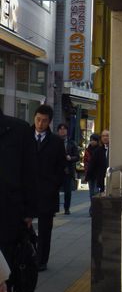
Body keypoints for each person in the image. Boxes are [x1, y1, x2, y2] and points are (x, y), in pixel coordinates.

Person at [0, 108, 37, 292]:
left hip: (7, 220)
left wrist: (28, 213)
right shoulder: (20, 130)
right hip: (9, 219)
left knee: (3, 280)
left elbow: (30, 174)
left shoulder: (19, 130)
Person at [32, 104, 66, 271]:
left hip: (47, 192)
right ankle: (27, 256)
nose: (40, 124)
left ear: (50, 122)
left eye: (44, 121)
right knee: (23, 226)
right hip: (27, 191)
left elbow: (61, 167)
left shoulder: (56, 142)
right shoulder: (24, 137)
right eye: (38, 119)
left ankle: (42, 260)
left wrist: (53, 186)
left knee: (45, 229)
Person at [57, 123, 79, 215]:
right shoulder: (54, 141)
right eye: (60, 129)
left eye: (64, 129)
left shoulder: (72, 143)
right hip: (56, 170)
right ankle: (54, 208)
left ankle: (67, 208)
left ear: (67, 131)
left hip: (68, 170)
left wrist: (71, 158)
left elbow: (77, 157)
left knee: (67, 191)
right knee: (54, 190)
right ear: (58, 131)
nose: (62, 131)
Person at [85, 130, 110, 201]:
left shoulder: (114, 149)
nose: (105, 137)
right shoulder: (98, 150)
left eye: (107, 136)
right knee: (96, 195)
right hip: (99, 177)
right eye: (103, 136)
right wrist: (87, 176)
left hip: (111, 176)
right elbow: (91, 164)